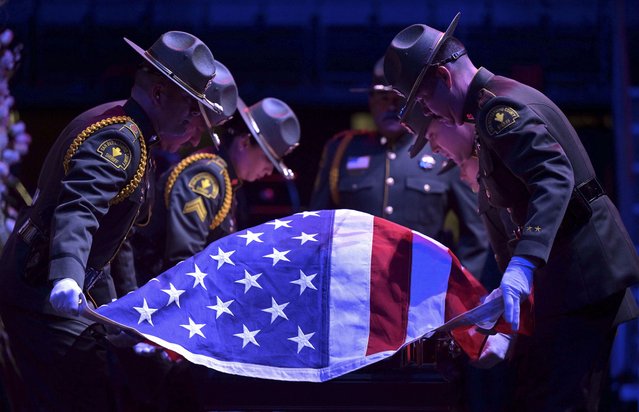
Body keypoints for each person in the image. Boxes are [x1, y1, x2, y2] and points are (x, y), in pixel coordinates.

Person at [384, 13, 639, 411]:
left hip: (581, 278)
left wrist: (522, 265)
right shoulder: (489, 107)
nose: (427, 111)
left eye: (422, 100)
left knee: (556, 400)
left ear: (445, 78)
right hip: (570, 280)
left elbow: (554, 179)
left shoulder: (496, 110)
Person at [0, 30, 227, 411]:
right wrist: (67, 276)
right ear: (158, 94)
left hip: (46, 290)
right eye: (192, 111)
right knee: (86, 391)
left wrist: (114, 317)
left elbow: (105, 246)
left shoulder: (129, 131)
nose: (194, 131)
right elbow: (80, 209)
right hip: (41, 293)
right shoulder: (122, 140)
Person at [310, 57, 488, 279]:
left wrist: (456, 289)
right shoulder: (342, 150)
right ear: (370, 101)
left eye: (399, 98)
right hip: (353, 281)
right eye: (383, 98)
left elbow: (475, 233)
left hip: (421, 283)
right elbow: (317, 224)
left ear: (416, 102)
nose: (391, 106)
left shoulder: (439, 149)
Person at [132, 96, 300, 283]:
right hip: (151, 292)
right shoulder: (207, 176)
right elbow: (184, 260)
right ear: (244, 143)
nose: (269, 171)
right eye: (268, 159)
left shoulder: (225, 179)